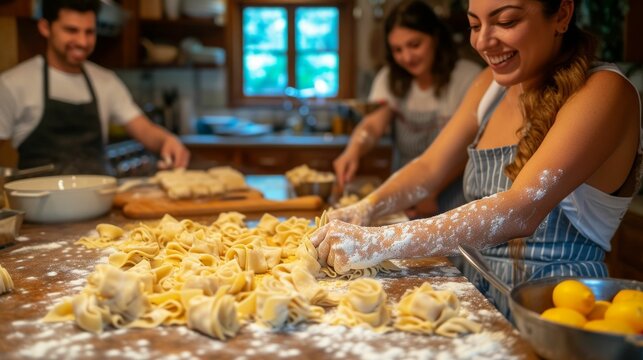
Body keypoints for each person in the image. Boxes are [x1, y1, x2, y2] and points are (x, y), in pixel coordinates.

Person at [312, 0, 641, 317]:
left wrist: (379, 240)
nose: (483, 41)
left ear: (562, 14)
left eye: (506, 21)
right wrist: (365, 209)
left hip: (555, 314)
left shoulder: (604, 91)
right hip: (477, 302)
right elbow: (429, 168)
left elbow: (521, 209)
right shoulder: (491, 85)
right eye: (474, 25)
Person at [0, 0, 190, 175]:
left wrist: (168, 140)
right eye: (71, 30)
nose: (82, 42)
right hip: (38, 209)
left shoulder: (105, 81)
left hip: (100, 205)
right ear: (45, 27)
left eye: (89, 32)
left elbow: (143, 129)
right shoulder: (14, 84)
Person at [333, 0, 482, 219]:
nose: (407, 57)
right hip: (403, 194)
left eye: (415, 44)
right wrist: (353, 150)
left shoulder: (467, 77)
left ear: (435, 37)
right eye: (397, 50)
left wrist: (432, 192)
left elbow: (470, 148)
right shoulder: (389, 78)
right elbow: (373, 125)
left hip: (451, 194)